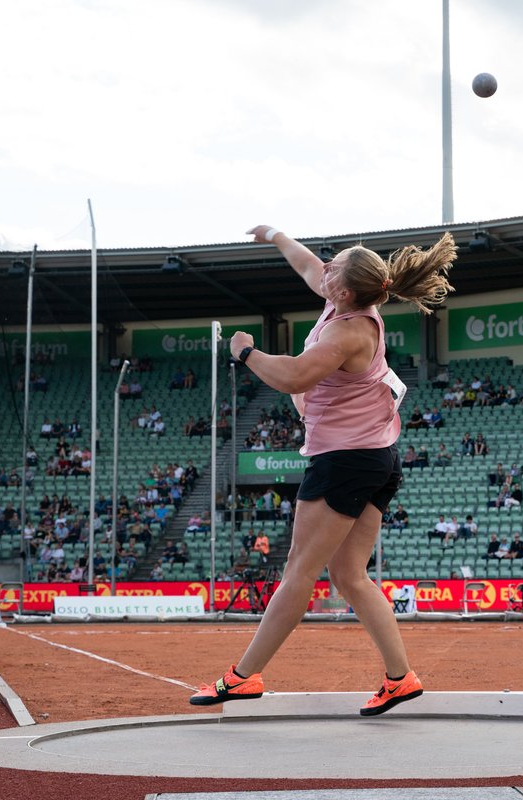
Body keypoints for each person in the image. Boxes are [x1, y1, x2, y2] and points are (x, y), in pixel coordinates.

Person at [189, 223, 455, 717]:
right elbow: (309, 265)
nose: (325, 267)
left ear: (346, 290)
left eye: (335, 267)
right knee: (351, 575)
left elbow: (292, 374)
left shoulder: (349, 330)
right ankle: (401, 679)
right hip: (374, 456)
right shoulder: (349, 301)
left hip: (344, 461)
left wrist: (245, 351)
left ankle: (242, 678)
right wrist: (275, 236)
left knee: (299, 572)